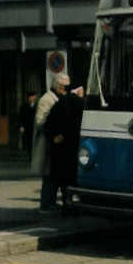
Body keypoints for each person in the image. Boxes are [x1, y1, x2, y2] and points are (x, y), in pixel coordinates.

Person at [45, 80, 84, 211]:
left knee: (62, 179)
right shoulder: (81, 104)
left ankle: (66, 205)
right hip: (74, 148)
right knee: (74, 179)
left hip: (60, 149)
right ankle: (74, 205)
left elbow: (48, 124)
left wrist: (55, 137)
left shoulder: (59, 103)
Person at [32, 73, 68, 212]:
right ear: (57, 86)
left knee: (53, 174)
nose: (66, 89)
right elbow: (40, 121)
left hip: (55, 143)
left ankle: (50, 202)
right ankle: (46, 204)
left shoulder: (58, 97)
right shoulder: (46, 99)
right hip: (47, 142)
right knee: (49, 175)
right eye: (64, 86)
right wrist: (54, 123)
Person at [19, 91, 37, 160]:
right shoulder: (24, 106)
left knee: (35, 141)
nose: (32, 98)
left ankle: (35, 155)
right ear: (29, 98)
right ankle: (30, 155)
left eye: (34, 96)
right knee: (29, 141)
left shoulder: (37, 105)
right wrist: (21, 126)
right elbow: (21, 117)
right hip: (27, 126)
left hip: (35, 126)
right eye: (31, 96)